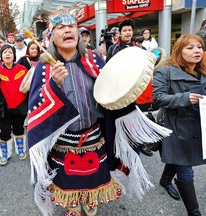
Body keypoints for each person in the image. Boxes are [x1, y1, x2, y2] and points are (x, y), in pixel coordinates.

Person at [26, 10, 171, 216]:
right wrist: (53, 86)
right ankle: (72, 203)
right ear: (52, 36)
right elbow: (36, 105)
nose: (68, 30)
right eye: (61, 28)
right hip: (63, 140)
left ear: (77, 33)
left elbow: (114, 89)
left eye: (71, 27)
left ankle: (90, 199)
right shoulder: (44, 67)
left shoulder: (93, 59)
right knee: (68, 177)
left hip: (94, 135)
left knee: (93, 176)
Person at [153, 34, 206, 215]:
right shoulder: (165, 71)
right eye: (190, 48)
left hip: (198, 126)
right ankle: (194, 213)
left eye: (199, 47)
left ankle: (165, 180)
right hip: (175, 127)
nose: (196, 51)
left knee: (179, 158)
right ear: (179, 51)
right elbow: (158, 99)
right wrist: (184, 98)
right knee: (186, 171)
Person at [106, 19, 153, 157]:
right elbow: (108, 69)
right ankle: (121, 146)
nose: (127, 33)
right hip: (119, 89)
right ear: (120, 33)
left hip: (135, 89)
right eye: (125, 30)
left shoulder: (138, 49)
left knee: (137, 116)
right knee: (122, 118)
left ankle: (140, 143)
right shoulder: (113, 49)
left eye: (129, 30)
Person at [0, 45, 29, 166]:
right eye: (5, 52)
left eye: (10, 52)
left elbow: (29, 85)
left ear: (14, 55)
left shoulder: (22, 69)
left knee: (19, 129)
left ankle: (20, 149)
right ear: (1, 55)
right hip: (3, 108)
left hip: (20, 106)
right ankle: (5, 153)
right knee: (5, 132)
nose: (7, 54)